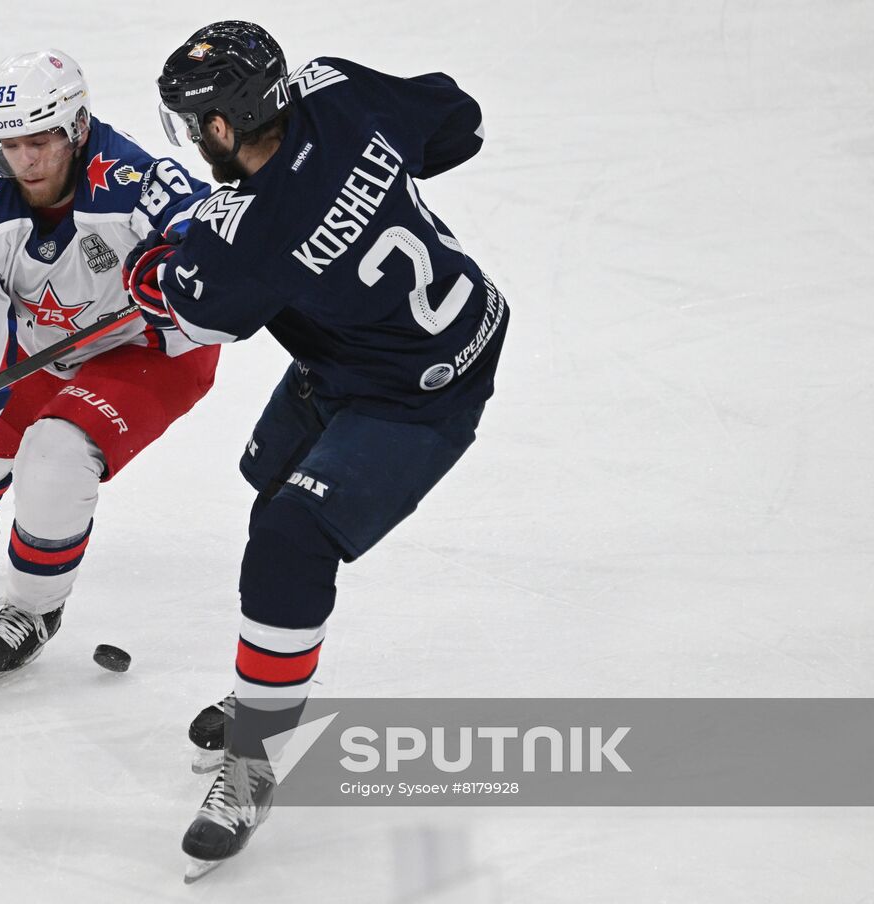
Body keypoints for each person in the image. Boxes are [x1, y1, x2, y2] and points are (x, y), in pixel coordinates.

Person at [123, 22, 510, 877]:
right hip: (379, 348)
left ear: (222, 126)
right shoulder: (335, 88)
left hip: (422, 395)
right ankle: (272, 689)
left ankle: (256, 749)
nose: (193, 138)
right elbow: (455, 119)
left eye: (196, 124)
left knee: (291, 534)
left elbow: (188, 309)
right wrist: (369, 182)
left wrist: (149, 266)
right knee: (269, 483)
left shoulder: (246, 233)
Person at [0, 49, 218, 693]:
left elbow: (211, 240)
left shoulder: (133, 182)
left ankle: (32, 608)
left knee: (54, 456)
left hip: (151, 351)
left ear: (77, 127)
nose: (23, 161)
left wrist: (182, 273)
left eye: (39, 141)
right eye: (8, 144)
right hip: (46, 349)